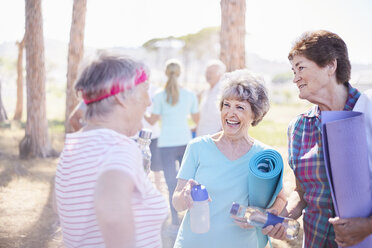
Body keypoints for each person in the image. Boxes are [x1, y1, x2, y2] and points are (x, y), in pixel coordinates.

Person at [270, 30, 372, 247]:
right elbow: (302, 191)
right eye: (293, 70)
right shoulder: (299, 127)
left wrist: (367, 226)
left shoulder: (368, 111)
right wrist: (283, 216)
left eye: (301, 68)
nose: (295, 78)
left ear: (330, 66)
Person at [54, 53, 168, 248]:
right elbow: (113, 214)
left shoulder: (75, 145)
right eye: (145, 89)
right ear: (121, 97)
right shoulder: (118, 147)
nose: (149, 102)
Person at [172, 69, 287, 248]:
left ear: (255, 115)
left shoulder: (264, 157)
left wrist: (265, 215)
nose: (230, 113)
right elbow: (177, 203)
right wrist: (184, 197)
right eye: (226, 105)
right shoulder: (197, 147)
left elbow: (281, 197)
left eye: (240, 107)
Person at [145, 59, 200, 227]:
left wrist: (141, 111)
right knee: (191, 180)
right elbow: (196, 120)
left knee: (171, 183)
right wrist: (186, 128)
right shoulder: (190, 95)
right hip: (185, 143)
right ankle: (194, 215)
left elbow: (152, 120)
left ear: (165, 73)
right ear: (180, 73)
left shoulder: (159, 96)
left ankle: (175, 221)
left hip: (166, 144)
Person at [196, 60, 226, 136]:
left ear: (220, 74)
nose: (207, 75)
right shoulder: (206, 91)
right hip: (201, 136)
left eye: (211, 72)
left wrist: (220, 136)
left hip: (215, 140)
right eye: (207, 72)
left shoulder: (224, 91)